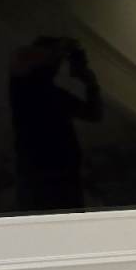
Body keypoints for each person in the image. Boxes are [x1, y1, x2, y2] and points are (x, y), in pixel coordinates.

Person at [9, 36, 102, 212]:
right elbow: (23, 56)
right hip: (38, 176)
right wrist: (63, 47)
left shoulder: (56, 94)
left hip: (65, 174)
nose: (57, 63)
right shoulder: (23, 88)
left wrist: (91, 83)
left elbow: (94, 114)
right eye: (54, 58)